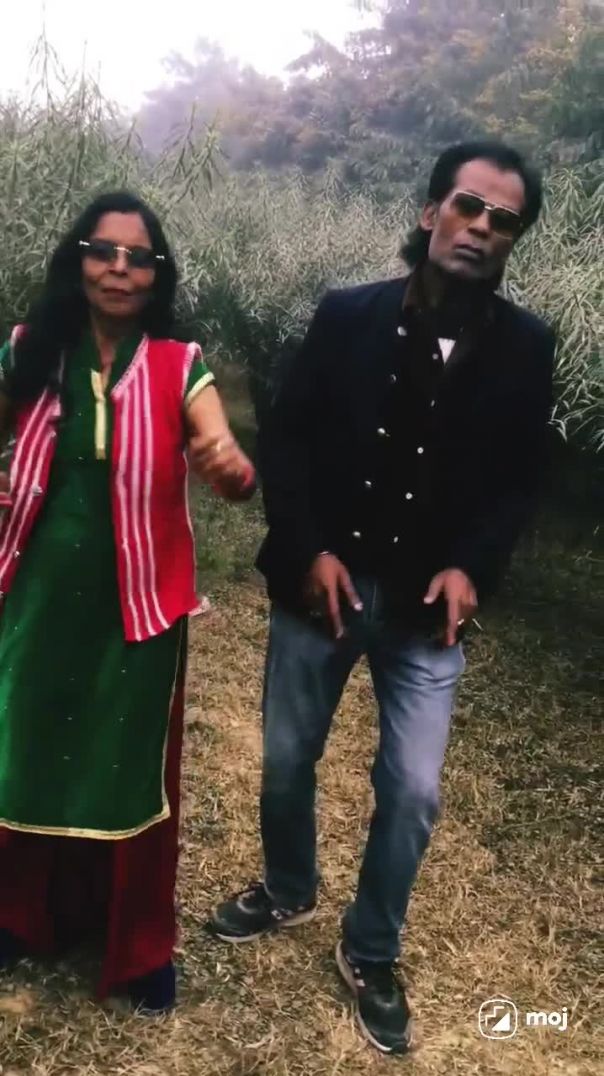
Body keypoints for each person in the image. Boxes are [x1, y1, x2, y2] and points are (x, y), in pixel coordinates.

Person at [208, 143, 555, 1054]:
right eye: (468, 205)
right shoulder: (347, 316)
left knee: (412, 788)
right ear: (431, 212)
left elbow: (519, 482)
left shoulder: (527, 347)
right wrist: (308, 550)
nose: (481, 227)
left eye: (504, 219)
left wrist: (472, 566)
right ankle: (288, 888)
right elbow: (288, 440)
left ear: (514, 239)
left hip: (426, 611)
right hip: (321, 586)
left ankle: (371, 950)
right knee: (287, 759)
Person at [0, 191, 255, 1012]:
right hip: (36, 591)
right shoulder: (29, 350)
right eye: (102, 251)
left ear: (157, 273)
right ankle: (17, 917)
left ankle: (138, 946)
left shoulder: (181, 364)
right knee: (23, 751)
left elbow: (223, 451)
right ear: (76, 260)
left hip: (138, 604)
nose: (118, 269)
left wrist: (227, 462)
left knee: (128, 770)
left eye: (137, 257)